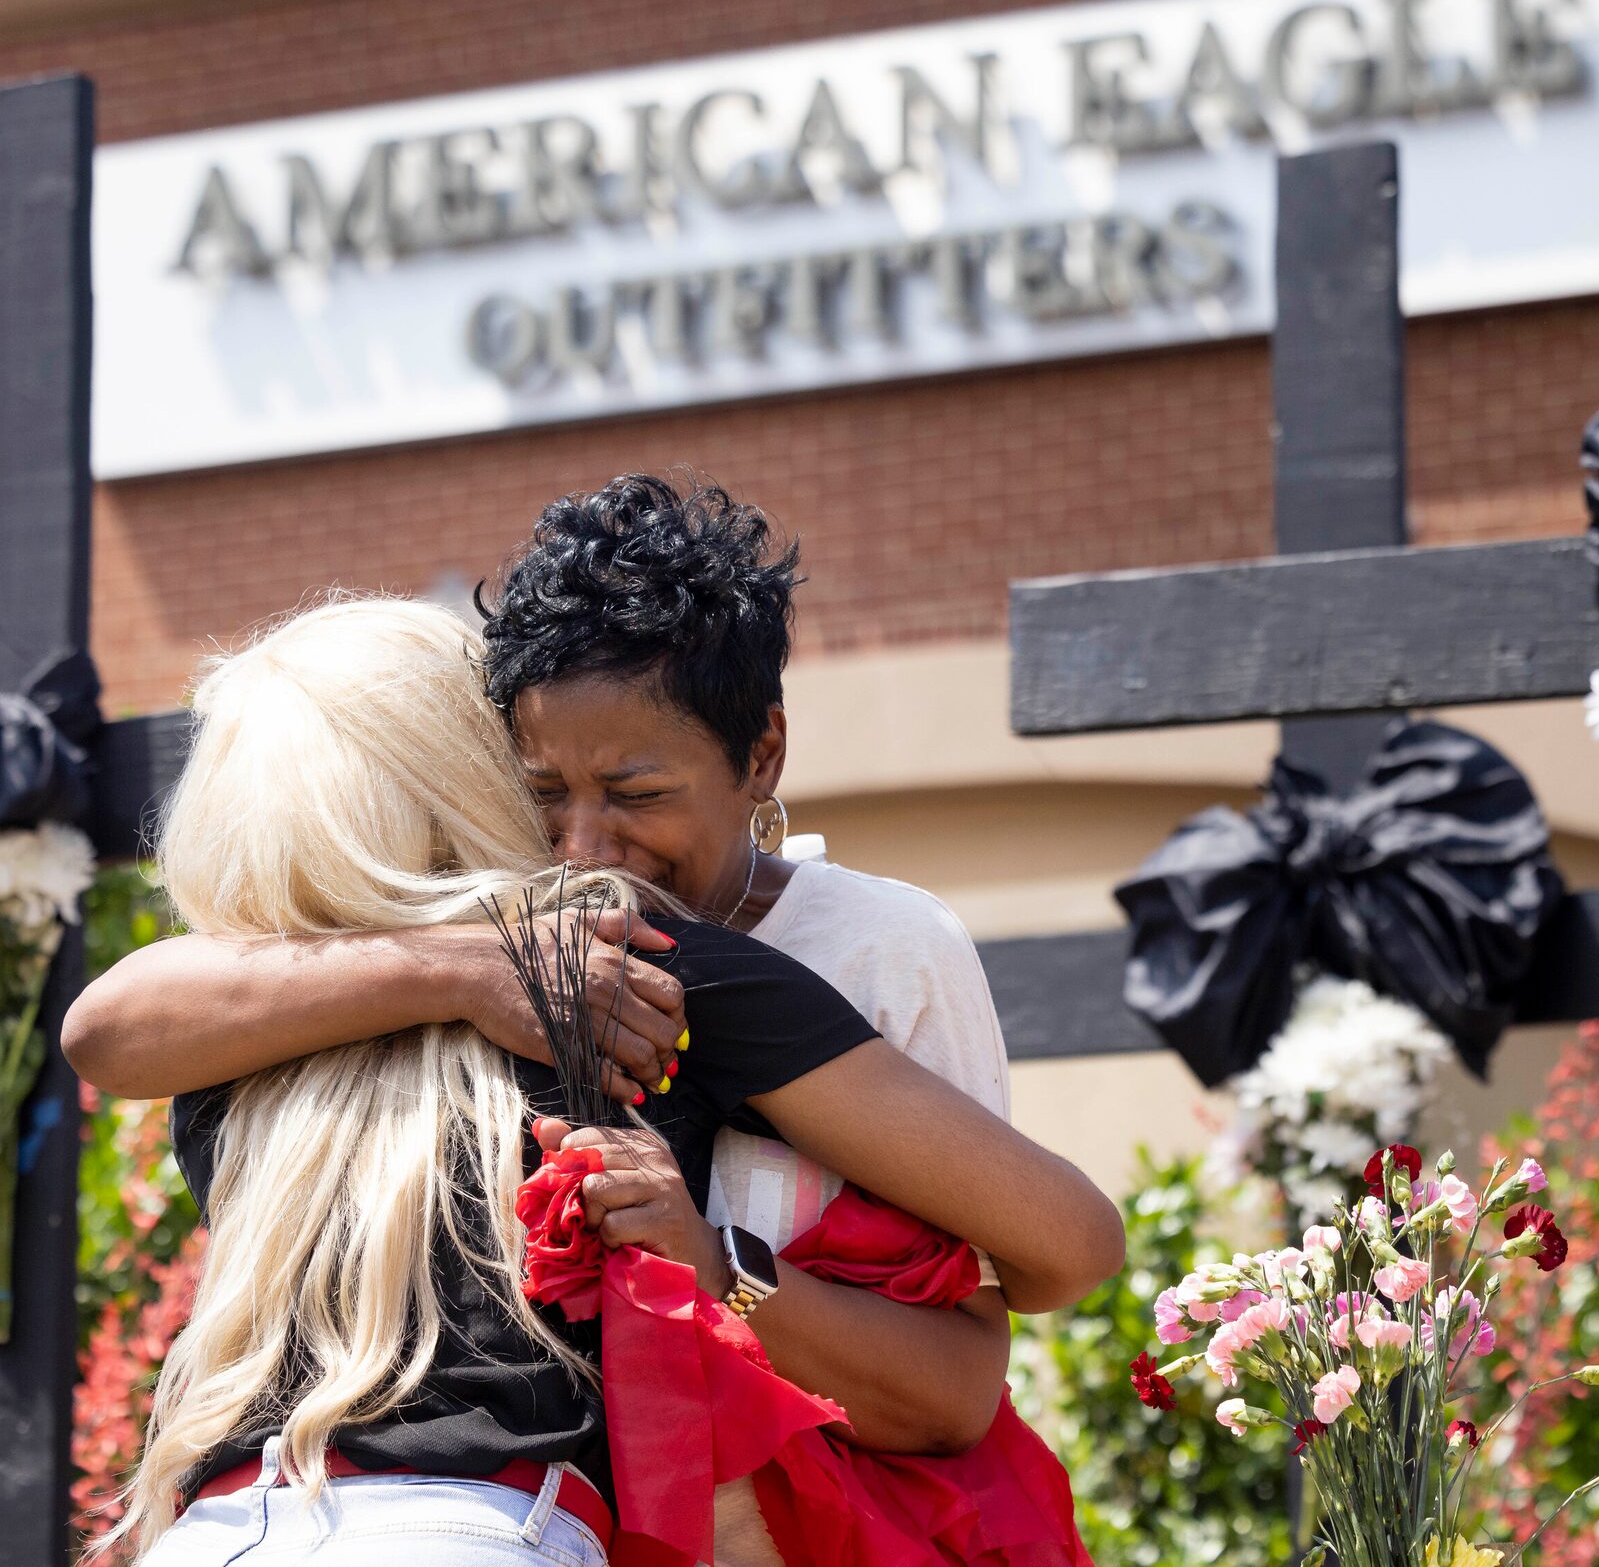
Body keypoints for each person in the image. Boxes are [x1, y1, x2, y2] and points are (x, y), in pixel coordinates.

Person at [100, 598, 1121, 1565]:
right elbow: (1068, 1240)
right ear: (466, 769)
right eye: (540, 784)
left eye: (628, 793)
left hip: (217, 1526)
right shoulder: (612, 951)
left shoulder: (224, 1028)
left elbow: (99, 1031)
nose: (581, 838)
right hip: (486, 1526)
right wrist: (471, 968)